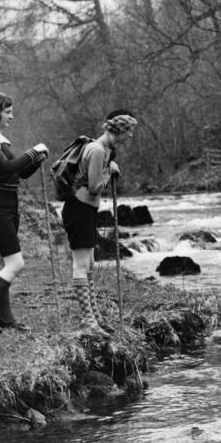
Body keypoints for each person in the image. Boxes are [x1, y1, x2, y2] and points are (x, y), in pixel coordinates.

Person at [0, 92, 49, 333]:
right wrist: (33, 151)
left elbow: (19, 172)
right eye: (8, 112)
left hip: (7, 206)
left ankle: (5, 318)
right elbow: (5, 166)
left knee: (0, 260)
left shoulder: (0, 140)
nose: (12, 116)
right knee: (16, 263)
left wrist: (35, 160)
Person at [60, 109, 138, 336]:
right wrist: (109, 172)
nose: (130, 136)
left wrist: (108, 167)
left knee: (90, 266)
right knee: (81, 266)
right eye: (129, 131)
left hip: (86, 210)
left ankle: (95, 317)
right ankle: (88, 321)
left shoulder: (103, 150)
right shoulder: (96, 150)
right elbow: (94, 187)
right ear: (119, 130)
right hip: (79, 210)